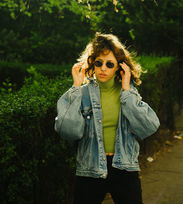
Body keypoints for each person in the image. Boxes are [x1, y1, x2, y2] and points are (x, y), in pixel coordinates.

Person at [55, 32, 160, 204]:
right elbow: (68, 131)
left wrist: (126, 91)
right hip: (90, 167)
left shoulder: (128, 93)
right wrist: (75, 87)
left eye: (110, 64)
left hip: (124, 166)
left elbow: (149, 126)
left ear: (119, 66)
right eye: (99, 63)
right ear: (92, 63)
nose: (103, 68)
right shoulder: (82, 94)